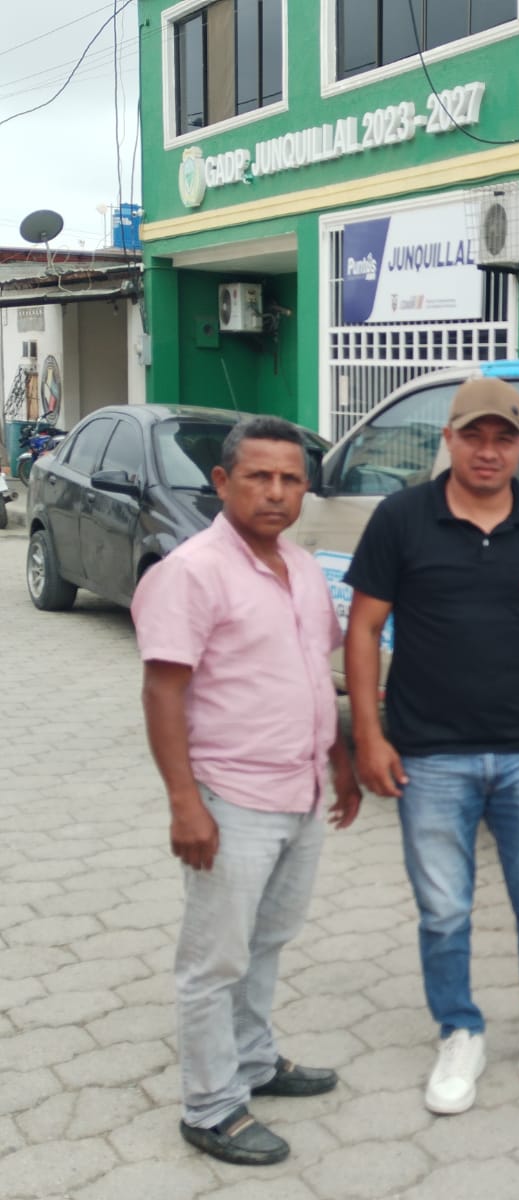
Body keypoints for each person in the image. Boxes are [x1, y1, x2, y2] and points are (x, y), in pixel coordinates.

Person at [343, 375, 519, 1118]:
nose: (489, 452)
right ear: (449, 439)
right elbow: (363, 628)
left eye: (504, 439)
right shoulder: (401, 519)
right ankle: (459, 1031)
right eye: (474, 436)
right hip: (428, 757)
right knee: (444, 911)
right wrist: (369, 736)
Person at [133, 416, 361, 1167]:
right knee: (214, 959)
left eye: (291, 479)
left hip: (300, 789)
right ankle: (209, 1105)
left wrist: (339, 761)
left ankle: (255, 1062)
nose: (276, 492)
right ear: (223, 482)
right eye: (259, 476)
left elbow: (312, 673)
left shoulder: (301, 567)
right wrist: (184, 803)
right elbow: (163, 692)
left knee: (268, 939)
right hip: (230, 797)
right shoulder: (192, 572)